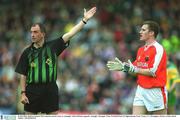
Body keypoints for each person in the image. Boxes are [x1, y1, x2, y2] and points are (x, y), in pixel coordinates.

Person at [15, 7, 96, 114]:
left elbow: (71, 34)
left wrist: (84, 20)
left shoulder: (53, 46)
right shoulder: (26, 52)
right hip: (32, 91)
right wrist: (23, 93)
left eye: (35, 32)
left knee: (53, 116)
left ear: (43, 34)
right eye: (31, 32)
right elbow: (23, 75)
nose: (32, 35)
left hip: (50, 89)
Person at [107, 21, 167, 114]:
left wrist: (133, 69)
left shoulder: (158, 49)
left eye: (143, 30)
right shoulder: (141, 50)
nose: (140, 32)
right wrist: (124, 67)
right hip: (141, 90)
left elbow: (152, 72)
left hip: (155, 91)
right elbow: (134, 69)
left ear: (151, 33)